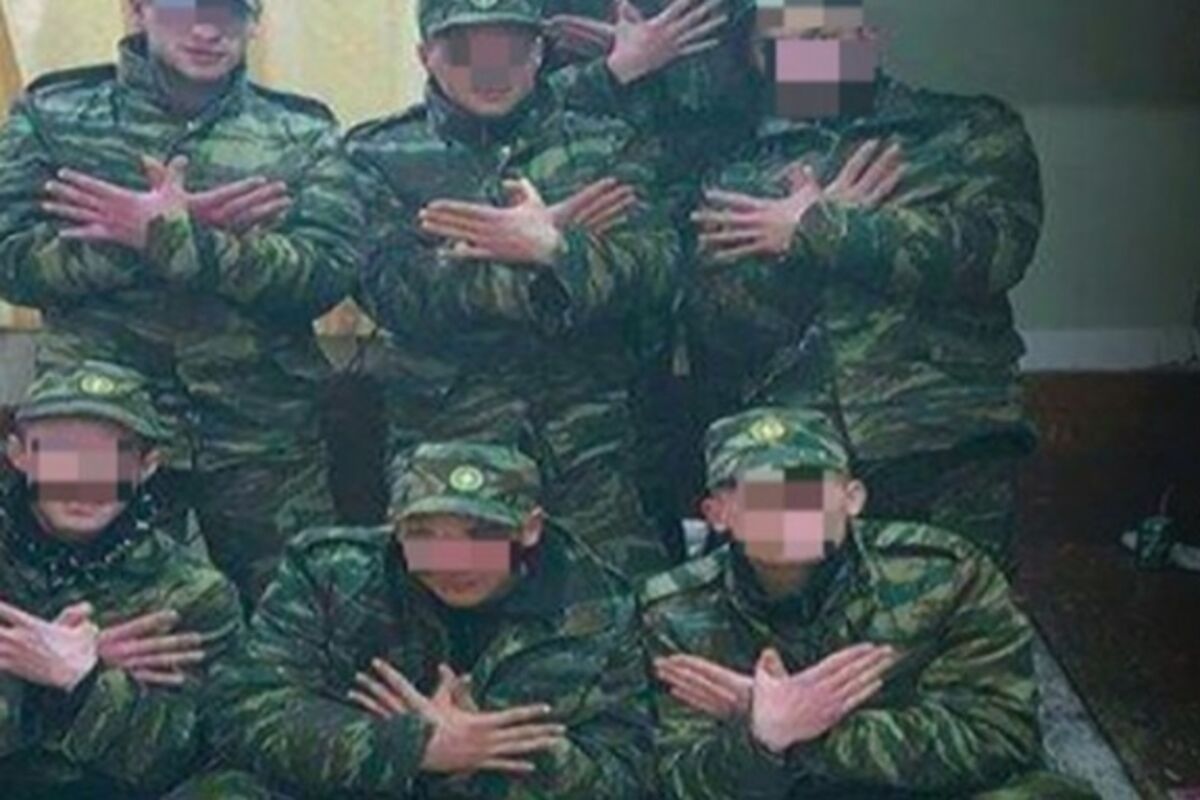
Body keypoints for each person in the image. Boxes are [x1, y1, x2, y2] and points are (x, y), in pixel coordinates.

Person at [0, 0, 363, 601]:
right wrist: (131, 239)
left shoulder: (300, 133)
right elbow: (12, 264)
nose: (205, 29)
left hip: (260, 426)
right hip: (98, 421)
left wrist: (179, 239)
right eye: (182, 7)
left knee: (304, 610)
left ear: (254, 22)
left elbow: (328, 274)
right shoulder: (54, 116)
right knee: (88, 613)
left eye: (228, 13)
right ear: (138, 11)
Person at [686, 0, 1043, 570]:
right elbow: (720, 326)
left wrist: (822, 228)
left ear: (866, 39)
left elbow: (996, 253)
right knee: (797, 611)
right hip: (795, 445)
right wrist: (795, 252)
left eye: (822, 35)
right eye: (778, 44)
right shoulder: (737, 169)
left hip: (944, 436)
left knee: (951, 610)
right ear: (755, 60)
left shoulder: (965, 130)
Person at [344, 0, 681, 578]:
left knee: (612, 607)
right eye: (465, 51)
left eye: (510, 49)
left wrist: (552, 249)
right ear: (425, 55)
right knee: (450, 601)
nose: (490, 69)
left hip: (591, 442)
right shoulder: (376, 155)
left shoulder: (607, 146)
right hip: (446, 445)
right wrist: (537, 261)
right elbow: (389, 289)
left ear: (540, 52)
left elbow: (658, 269)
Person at [641, 406, 1096, 799]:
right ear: (718, 514)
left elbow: (1001, 735)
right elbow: (678, 779)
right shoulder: (673, 610)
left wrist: (808, 732)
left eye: (808, 492)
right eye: (762, 495)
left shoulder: (943, 574)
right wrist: (759, 739)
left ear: (852, 499)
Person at [178, 441, 651, 799]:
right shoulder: (330, 572)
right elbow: (241, 710)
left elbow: (629, 776)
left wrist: (490, 746)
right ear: (394, 525)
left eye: (481, 536)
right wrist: (410, 747)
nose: (453, 562)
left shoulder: (596, 607)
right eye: (424, 536)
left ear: (530, 529)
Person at [0, 361, 243, 800]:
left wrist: (84, 680)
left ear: (147, 465)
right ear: (19, 454)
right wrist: (39, 676)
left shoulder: (192, 592)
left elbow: (188, 754)